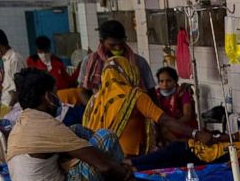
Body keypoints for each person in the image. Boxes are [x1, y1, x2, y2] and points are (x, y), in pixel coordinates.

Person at [6, 68, 136, 181]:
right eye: (56, 93)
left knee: (76, 130)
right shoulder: (46, 126)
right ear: (49, 97)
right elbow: (104, 166)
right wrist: (126, 175)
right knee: (107, 137)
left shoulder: (24, 121)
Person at [131, 64, 240, 170]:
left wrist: (217, 138)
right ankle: (134, 165)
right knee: (177, 151)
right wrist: (216, 137)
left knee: (180, 152)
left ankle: (133, 165)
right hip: (234, 147)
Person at [82, 57, 210, 157]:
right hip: (128, 158)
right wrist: (196, 134)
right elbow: (164, 120)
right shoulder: (133, 95)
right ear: (128, 72)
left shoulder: (94, 100)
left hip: (99, 158)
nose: (164, 84)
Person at [79, 19, 155, 101]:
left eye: (121, 43)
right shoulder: (90, 62)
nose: (118, 48)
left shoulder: (139, 62)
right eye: (112, 45)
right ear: (102, 42)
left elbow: (151, 92)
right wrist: (94, 111)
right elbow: (82, 91)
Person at [150, 66, 196, 144]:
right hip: (164, 127)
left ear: (175, 81)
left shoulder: (182, 93)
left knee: (164, 133)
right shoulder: (156, 95)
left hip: (182, 126)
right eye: (161, 81)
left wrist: (171, 126)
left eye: (168, 81)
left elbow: (187, 116)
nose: (165, 84)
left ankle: (180, 145)